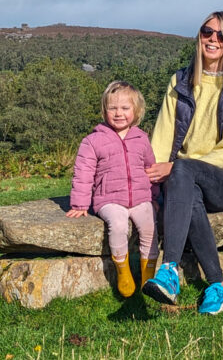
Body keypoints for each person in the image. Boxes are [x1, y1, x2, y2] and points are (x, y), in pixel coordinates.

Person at [143, 11, 223, 315]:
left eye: (221, 35)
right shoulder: (180, 81)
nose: (212, 39)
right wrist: (153, 177)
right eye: (207, 32)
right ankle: (217, 286)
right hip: (185, 182)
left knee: (183, 168)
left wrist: (176, 168)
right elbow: (162, 133)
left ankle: (168, 268)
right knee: (187, 190)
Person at [66, 81, 160, 298]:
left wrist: (155, 197)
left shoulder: (142, 139)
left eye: (125, 108)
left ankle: (148, 274)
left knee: (149, 227)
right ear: (104, 110)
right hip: (108, 199)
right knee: (118, 225)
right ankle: (123, 271)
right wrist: (80, 204)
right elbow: (83, 172)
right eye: (113, 108)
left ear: (136, 111)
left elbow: (150, 169)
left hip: (140, 197)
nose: (119, 113)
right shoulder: (93, 140)